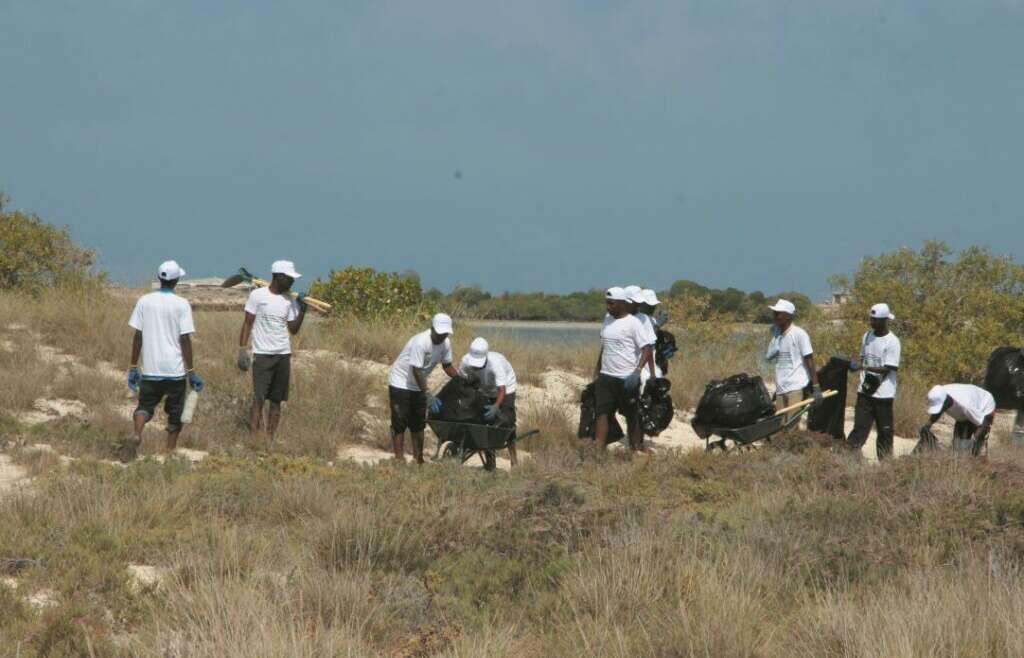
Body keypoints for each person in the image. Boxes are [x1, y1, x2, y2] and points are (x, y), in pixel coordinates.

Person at [125, 261, 203, 459]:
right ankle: (169, 452)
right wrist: (191, 371)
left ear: (159, 278)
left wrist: (133, 366)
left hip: (151, 368)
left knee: (144, 407)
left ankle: (136, 433)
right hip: (174, 371)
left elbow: (138, 335)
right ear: (176, 280)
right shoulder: (182, 304)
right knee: (176, 413)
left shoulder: (144, 301)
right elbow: (185, 339)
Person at [237, 260, 308, 437]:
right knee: (259, 398)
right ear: (278, 276)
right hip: (262, 355)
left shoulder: (289, 300)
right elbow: (247, 323)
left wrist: (302, 310)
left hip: (283, 355)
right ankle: (254, 438)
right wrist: (242, 349)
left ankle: (270, 440)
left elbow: (293, 330)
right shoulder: (258, 296)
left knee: (276, 401)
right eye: (289, 278)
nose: (292, 282)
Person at [388, 313, 459, 464]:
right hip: (401, 382)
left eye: (445, 333)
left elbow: (447, 366)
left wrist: (460, 379)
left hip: (419, 385)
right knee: (400, 421)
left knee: (418, 423)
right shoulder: (421, 341)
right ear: (432, 328)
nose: (442, 336)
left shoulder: (446, 343)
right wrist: (427, 393)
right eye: (440, 332)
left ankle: (418, 459)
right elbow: (416, 370)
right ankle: (399, 460)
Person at [594, 287, 653, 450]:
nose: (608, 306)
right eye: (606, 303)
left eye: (611, 303)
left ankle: (635, 449)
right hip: (606, 377)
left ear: (622, 303)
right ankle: (598, 450)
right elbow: (604, 347)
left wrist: (637, 371)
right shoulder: (607, 320)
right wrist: (597, 370)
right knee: (602, 413)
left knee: (631, 415)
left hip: (626, 378)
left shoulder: (633, 323)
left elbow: (647, 349)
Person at [846, 304, 902, 459]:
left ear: (885, 320)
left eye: (875, 320)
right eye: (871, 319)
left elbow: (889, 368)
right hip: (864, 392)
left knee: (884, 432)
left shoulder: (892, 342)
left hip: (883, 395)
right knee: (859, 429)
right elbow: (863, 357)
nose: (872, 322)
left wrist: (864, 367)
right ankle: (848, 460)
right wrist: (856, 365)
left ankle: (885, 464)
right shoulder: (867, 336)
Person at [459, 337, 520, 466]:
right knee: (484, 422)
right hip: (484, 388)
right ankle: (490, 462)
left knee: (507, 421)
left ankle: (514, 461)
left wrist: (496, 406)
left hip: (506, 388)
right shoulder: (465, 362)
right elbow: (462, 382)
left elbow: (502, 389)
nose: (475, 367)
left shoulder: (496, 363)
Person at [765, 299, 822, 415]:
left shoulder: (799, 334)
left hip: (796, 388)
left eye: (778, 313)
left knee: (792, 425)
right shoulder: (777, 336)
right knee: (781, 426)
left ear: (788, 316)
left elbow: (809, 360)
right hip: (781, 388)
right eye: (774, 313)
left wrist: (816, 387)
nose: (774, 316)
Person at [922, 384, 996, 456]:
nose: (940, 409)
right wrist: (927, 425)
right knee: (959, 450)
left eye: (941, 406)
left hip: (985, 406)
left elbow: (983, 424)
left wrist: (973, 441)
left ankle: (979, 461)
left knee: (978, 449)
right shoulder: (940, 393)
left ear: (947, 401)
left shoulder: (965, 404)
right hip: (967, 409)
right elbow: (938, 411)